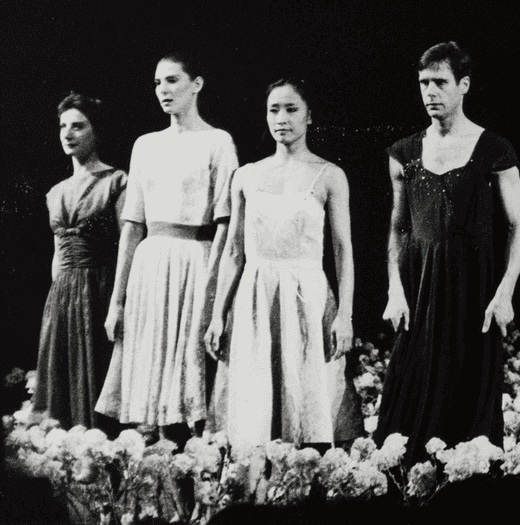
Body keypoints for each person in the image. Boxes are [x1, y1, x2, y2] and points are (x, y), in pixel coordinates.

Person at [376, 41, 520, 449]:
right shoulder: (404, 153)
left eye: (440, 82)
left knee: (468, 403)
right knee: (406, 408)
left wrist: (505, 292)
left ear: (463, 85)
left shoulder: (494, 149)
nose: (430, 92)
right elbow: (397, 228)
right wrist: (395, 290)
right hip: (420, 289)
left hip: (474, 293)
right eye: (424, 83)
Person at [205, 79, 356, 453]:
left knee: (308, 399)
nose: (281, 118)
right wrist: (217, 315)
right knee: (255, 408)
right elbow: (234, 253)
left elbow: (342, 250)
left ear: (308, 116)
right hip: (256, 296)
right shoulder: (246, 175)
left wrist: (346, 315)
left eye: (291, 109)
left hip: (307, 296)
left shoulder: (330, 175)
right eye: (274, 110)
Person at [97, 53, 238, 438]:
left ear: (197, 84)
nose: (164, 90)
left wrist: (212, 287)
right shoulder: (145, 145)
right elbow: (132, 226)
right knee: (150, 380)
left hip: (196, 261)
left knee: (190, 380)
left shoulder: (218, 141)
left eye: (173, 81)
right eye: (158, 83)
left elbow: (226, 223)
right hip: (150, 267)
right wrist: (117, 301)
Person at [33, 93, 128, 429]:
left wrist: (119, 301)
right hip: (62, 297)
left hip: (100, 290)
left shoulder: (117, 182)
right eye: (63, 126)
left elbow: (128, 246)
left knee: (98, 380)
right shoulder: (55, 192)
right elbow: (58, 254)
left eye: (78, 126)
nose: (68, 133)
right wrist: (54, 304)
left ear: (95, 131)